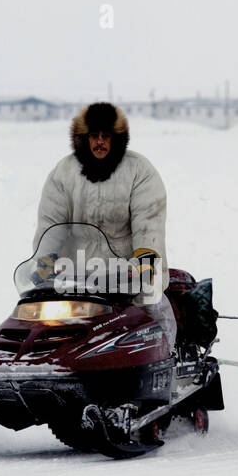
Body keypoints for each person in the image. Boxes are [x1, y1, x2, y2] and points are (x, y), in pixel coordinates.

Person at [33, 102, 176, 348]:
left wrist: (145, 257)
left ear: (117, 138)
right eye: (94, 136)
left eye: (106, 136)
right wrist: (44, 260)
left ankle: (169, 366)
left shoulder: (139, 170)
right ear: (83, 138)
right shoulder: (64, 173)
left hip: (128, 276)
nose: (100, 142)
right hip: (76, 277)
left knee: (156, 318)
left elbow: (148, 220)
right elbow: (52, 221)